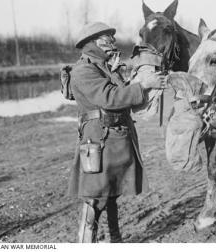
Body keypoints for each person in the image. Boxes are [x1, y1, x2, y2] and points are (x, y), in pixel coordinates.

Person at [67, 21, 166, 243]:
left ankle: (116, 241)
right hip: (98, 141)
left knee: (111, 194)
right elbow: (109, 98)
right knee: (95, 198)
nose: (112, 42)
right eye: (107, 39)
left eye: (112, 38)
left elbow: (120, 94)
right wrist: (144, 86)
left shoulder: (105, 67)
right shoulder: (83, 70)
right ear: (93, 43)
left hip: (112, 139)